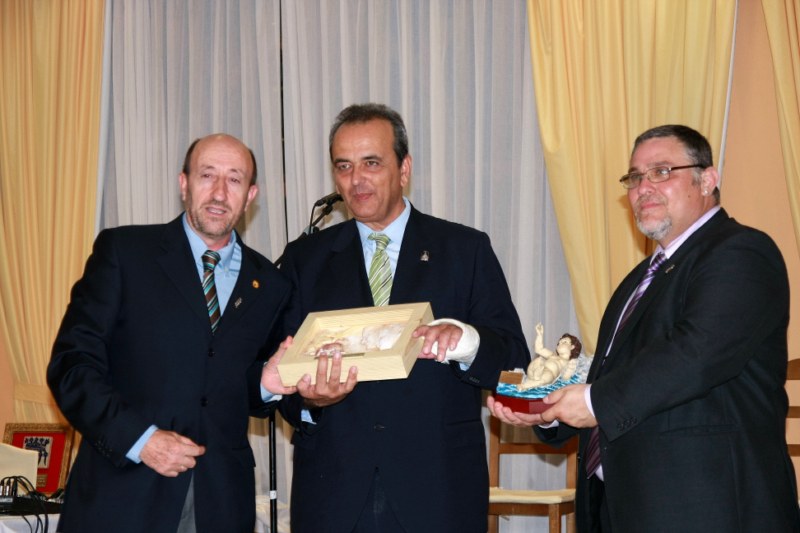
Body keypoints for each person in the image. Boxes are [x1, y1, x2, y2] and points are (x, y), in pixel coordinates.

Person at [488, 124, 800, 532]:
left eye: (662, 171)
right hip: (626, 507)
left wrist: (593, 401)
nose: (643, 188)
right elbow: (612, 377)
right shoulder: (638, 280)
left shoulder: (740, 252)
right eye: (635, 177)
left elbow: (695, 354)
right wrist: (549, 411)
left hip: (710, 508)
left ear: (707, 179)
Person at [277, 103, 530, 533]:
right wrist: (310, 401)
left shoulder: (463, 250)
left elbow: (514, 361)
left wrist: (465, 342)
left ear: (404, 168)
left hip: (438, 490)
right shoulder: (305, 259)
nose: (356, 180)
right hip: (334, 494)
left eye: (371, 163)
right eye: (344, 166)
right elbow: (278, 371)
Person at [47, 134, 296, 533]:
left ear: (251, 195)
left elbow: (230, 387)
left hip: (221, 504)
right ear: (184, 183)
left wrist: (265, 384)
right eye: (207, 175)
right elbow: (72, 367)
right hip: (122, 496)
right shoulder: (125, 252)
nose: (219, 192)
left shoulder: (268, 283)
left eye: (234, 179)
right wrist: (140, 440)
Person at [518, 323, 581, 390]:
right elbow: (539, 349)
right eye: (559, 343)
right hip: (535, 370)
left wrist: (570, 369)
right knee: (539, 359)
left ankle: (527, 384)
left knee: (547, 376)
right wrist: (539, 335)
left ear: (572, 347)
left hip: (549, 374)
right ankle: (535, 376)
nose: (560, 344)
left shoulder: (569, 362)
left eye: (564, 342)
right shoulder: (552, 355)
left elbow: (565, 378)